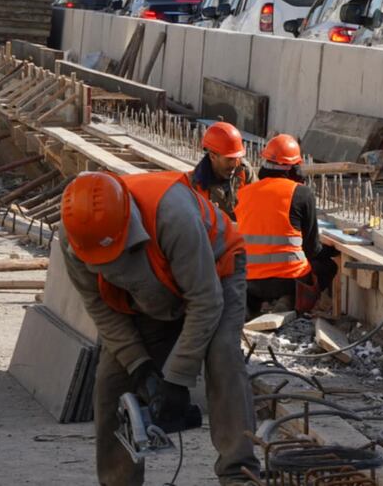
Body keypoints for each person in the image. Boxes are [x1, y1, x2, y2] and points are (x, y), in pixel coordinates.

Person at [59, 171, 258, 485]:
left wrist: (177, 378)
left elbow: (205, 301)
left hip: (216, 274)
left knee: (223, 357)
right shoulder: (75, 237)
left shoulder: (173, 216)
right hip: (150, 293)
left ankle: (239, 472)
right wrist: (140, 367)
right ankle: (117, 480)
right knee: (112, 380)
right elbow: (100, 308)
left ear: (127, 225)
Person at [235, 134, 339, 317]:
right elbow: (312, 249)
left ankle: (251, 306)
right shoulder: (301, 194)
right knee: (328, 266)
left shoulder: (244, 194)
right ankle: (291, 300)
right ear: (294, 168)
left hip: (250, 281)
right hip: (288, 281)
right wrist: (333, 251)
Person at [194, 122, 250, 220]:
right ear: (212, 156)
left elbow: (260, 204)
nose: (234, 164)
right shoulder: (197, 186)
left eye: (237, 158)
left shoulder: (244, 170)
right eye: (229, 159)